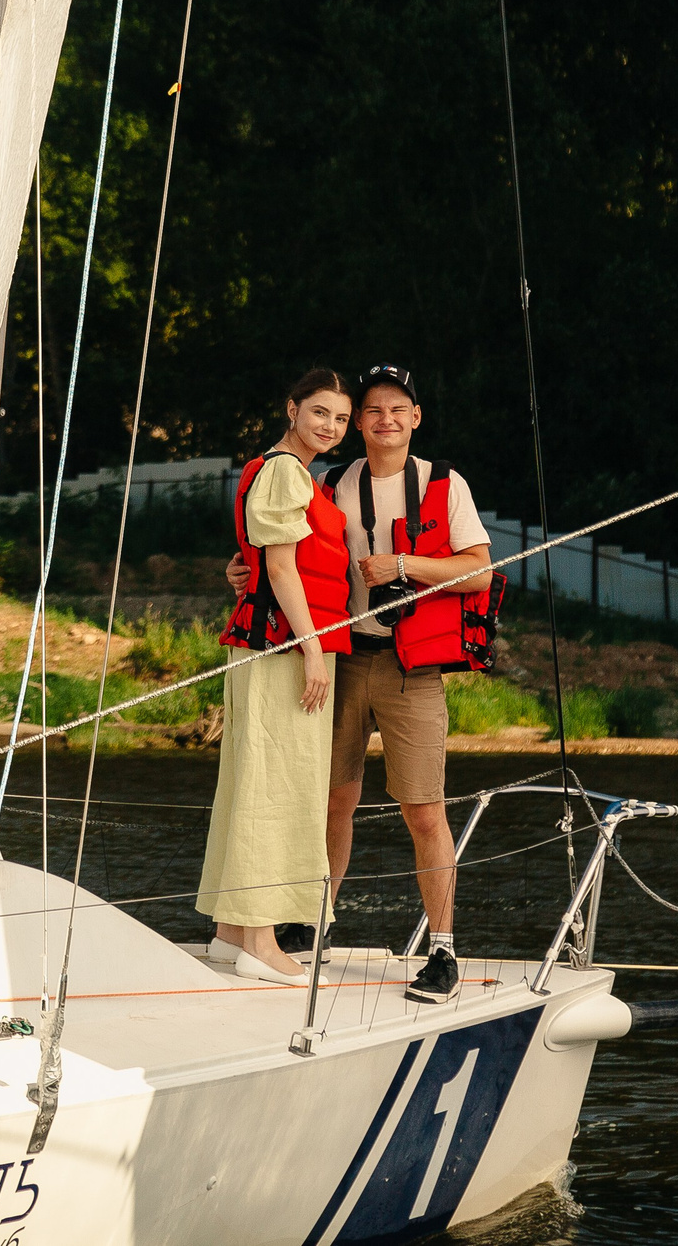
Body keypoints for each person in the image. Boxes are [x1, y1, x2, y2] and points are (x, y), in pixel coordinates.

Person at [232, 363, 499, 1005]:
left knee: (423, 810)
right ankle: (315, 919)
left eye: (396, 409)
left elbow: (480, 575)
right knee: (332, 799)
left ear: (415, 419)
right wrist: (243, 577)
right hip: (344, 659)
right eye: (371, 409)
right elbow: (287, 555)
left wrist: (404, 564)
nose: (383, 419)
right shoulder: (331, 481)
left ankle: (442, 949)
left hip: (413, 669)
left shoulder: (444, 485)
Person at [199, 367, 354, 985]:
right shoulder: (286, 471)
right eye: (319, 412)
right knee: (276, 786)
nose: (330, 426)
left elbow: (260, 563)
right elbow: (284, 571)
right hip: (285, 649)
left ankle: (232, 932)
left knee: (254, 780)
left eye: (340, 418)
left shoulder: (282, 472)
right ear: (292, 409)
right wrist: (314, 651)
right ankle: (260, 939)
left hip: (273, 644)